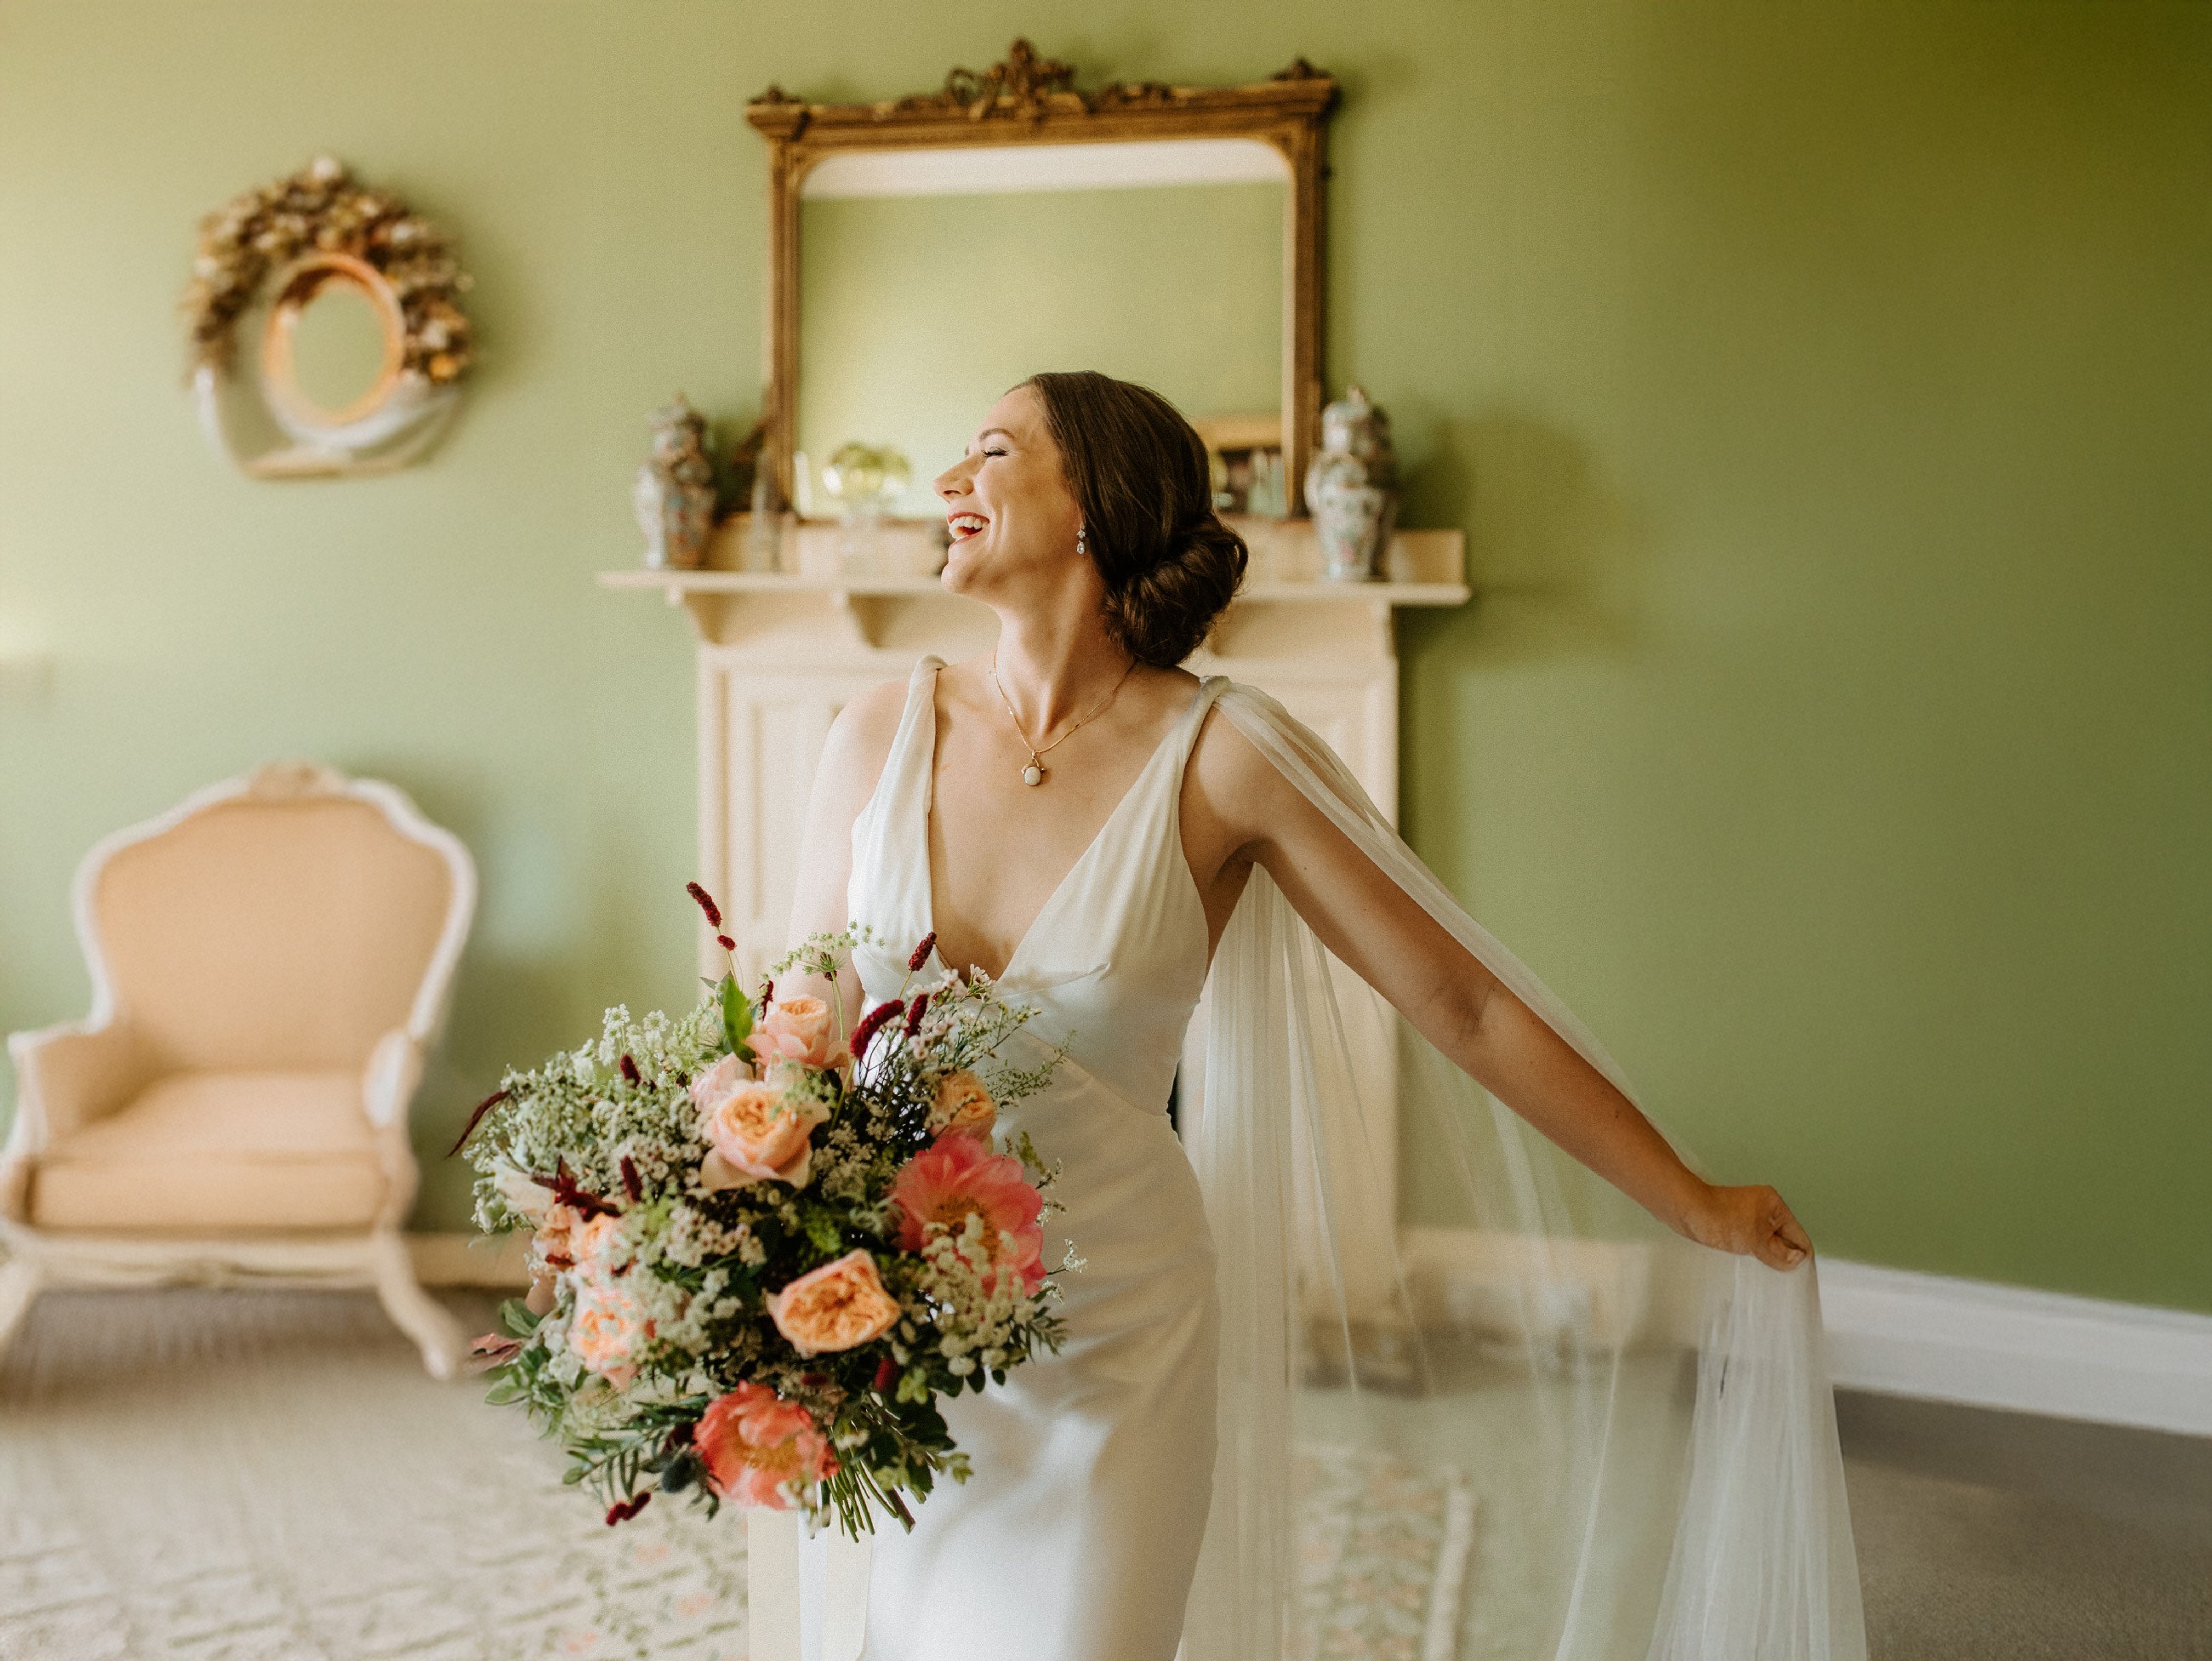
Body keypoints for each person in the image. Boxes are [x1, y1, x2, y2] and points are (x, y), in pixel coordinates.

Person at [788, 371, 1861, 1661]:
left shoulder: (1228, 754)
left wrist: (1691, 1200)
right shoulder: (873, 733)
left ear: (1091, 505)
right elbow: (799, 1024)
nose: (951, 484)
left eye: (993, 450)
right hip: (893, 1316)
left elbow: (1460, 1002)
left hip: (1118, 1328)